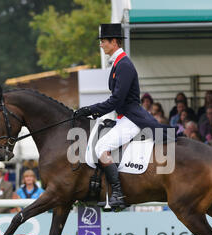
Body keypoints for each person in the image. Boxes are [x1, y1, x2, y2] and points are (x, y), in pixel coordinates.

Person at [73, 23, 176, 210]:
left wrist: (89, 110)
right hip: (124, 116)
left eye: (103, 41)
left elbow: (116, 99)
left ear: (114, 42)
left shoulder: (124, 65)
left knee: (102, 146)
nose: (101, 45)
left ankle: (118, 193)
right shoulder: (118, 64)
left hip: (132, 118)